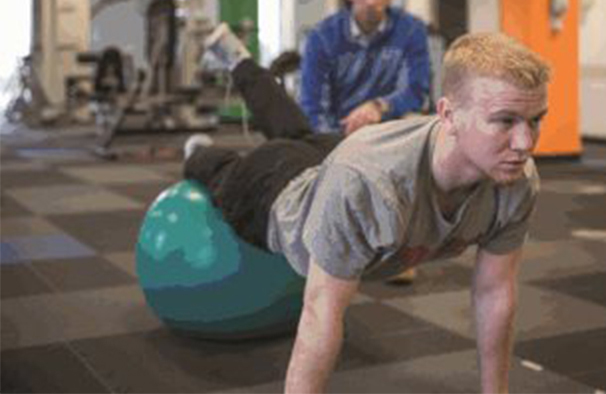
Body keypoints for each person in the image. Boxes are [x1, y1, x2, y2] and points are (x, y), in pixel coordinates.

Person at [190, 24, 550, 393]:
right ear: (448, 116)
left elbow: (494, 291)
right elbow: (319, 312)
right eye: (505, 121)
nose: (526, 143)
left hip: (334, 157)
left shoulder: (516, 178)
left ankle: (239, 62)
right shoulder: (369, 182)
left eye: (536, 120)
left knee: (296, 131)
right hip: (276, 188)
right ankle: (198, 152)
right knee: (226, 173)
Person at [300, 0, 431, 136]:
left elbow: (416, 92)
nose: (371, 2)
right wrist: (336, 143)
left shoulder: (411, 30)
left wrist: (380, 106)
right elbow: (313, 110)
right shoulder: (321, 37)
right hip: (339, 136)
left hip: (391, 133)